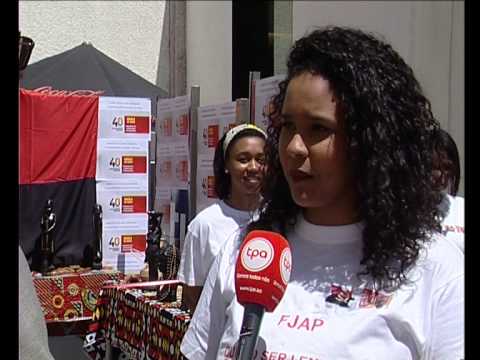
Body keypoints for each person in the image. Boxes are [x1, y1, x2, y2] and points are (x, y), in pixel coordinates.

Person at [181, 26, 464, 359]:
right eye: (287, 126)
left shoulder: (435, 270)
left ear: (371, 140)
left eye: (319, 129)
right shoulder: (246, 250)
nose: (294, 148)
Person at [177, 123, 267, 313]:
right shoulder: (204, 225)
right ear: (226, 165)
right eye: (243, 159)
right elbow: (194, 294)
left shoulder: (281, 218)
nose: (253, 167)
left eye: (261, 159)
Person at [433, 128, 464, 252]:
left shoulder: (461, 209)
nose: (441, 175)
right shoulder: (402, 213)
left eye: (447, 167)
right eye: (433, 167)